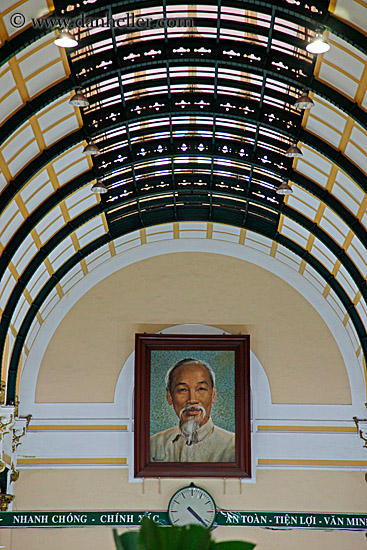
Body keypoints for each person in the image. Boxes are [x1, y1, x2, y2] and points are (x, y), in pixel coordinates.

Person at [150, 358, 235, 462]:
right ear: (169, 396)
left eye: (201, 389)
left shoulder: (233, 446)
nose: (192, 400)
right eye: (182, 390)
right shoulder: (154, 445)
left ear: (213, 395)